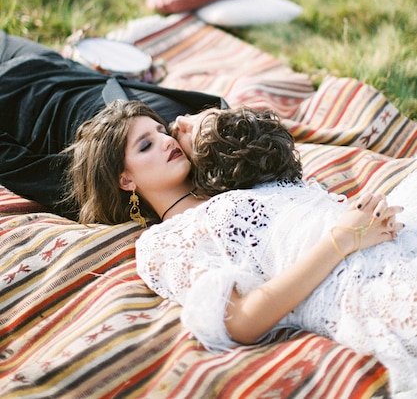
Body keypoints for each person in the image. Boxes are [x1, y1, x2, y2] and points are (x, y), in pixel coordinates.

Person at [67, 99, 415, 396]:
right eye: (145, 146)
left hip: (386, 232)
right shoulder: (164, 242)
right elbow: (242, 321)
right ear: (126, 180)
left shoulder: (227, 176)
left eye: (160, 131)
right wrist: (341, 240)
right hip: (359, 280)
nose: (164, 140)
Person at [0, 31, 226, 217]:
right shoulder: (196, 141)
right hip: (60, 67)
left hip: (11, 89)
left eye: (145, 145)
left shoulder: (85, 179)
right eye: (158, 133)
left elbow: (9, 161)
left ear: (125, 179)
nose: (168, 138)